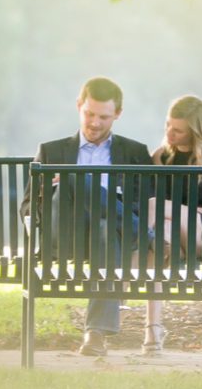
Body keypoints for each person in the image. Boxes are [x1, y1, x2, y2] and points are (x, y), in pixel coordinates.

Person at [34, 76, 153, 357]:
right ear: (79, 106)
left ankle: (95, 334)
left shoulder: (134, 153)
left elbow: (143, 203)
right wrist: (50, 192)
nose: (95, 123)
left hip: (108, 236)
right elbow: (28, 206)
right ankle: (138, 231)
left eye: (104, 117)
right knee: (71, 179)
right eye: (89, 114)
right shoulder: (51, 150)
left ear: (118, 114)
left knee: (106, 227)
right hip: (65, 233)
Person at [142, 93, 202, 354]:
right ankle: (153, 330)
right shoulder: (162, 156)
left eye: (178, 130)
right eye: (168, 126)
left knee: (157, 207)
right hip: (175, 238)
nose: (169, 134)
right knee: (160, 238)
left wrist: (185, 211)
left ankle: (127, 275)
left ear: (196, 131)